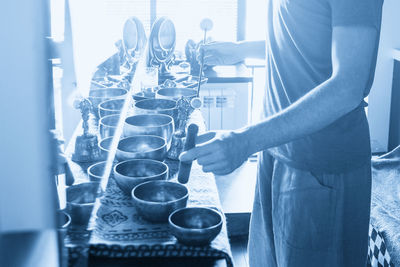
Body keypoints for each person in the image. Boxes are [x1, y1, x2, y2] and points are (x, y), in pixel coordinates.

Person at [180, 0, 384, 266]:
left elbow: (347, 87)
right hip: (275, 152)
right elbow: (301, 40)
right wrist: (239, 50)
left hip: (320, 169)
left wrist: (246, 140)